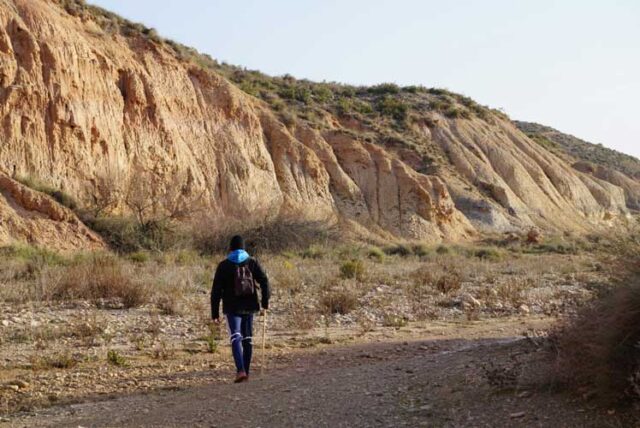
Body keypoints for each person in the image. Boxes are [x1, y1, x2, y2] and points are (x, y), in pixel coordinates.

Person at [211, 235, 270, 383]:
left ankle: (240, 370)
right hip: (250, 306)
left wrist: (215, 313)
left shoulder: (223, 265)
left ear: (230, 248)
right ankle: (246, 372)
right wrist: (264, 302)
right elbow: (264, 281)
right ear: (244, 248)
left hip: (232, 308)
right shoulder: (252, 262)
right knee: (247, 339)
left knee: (235, 337)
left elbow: (216, 291)